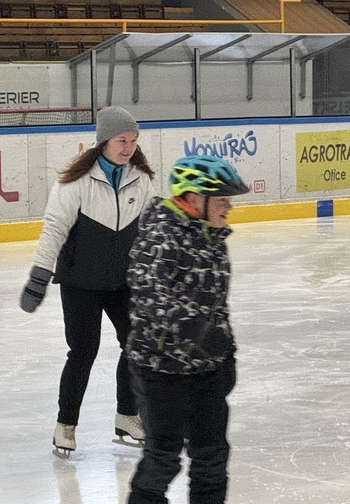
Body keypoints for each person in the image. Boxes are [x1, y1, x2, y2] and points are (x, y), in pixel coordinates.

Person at [20, 106, 156, 459]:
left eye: (133, 140)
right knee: (83, 352)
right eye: (122, 140)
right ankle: (66, 424)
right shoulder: (75, 181)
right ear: (103, 141)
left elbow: (150, 230)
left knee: (136, 345)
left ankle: (127, 416)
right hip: (81, 281)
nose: (128, 147)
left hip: (124, 281)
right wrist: (39, 275)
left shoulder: (141, 178)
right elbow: (54, 228)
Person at [125, 155, 249, 503]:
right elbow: (149, 294)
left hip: (206, 370)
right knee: (163, 458)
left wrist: (226, 352)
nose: (228, 207)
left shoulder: (212, 236)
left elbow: (216, 303)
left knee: (212, 458)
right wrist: (197, 331)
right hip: (161, 370)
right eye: (221, 199)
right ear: (194, 198)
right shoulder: (161, 235)